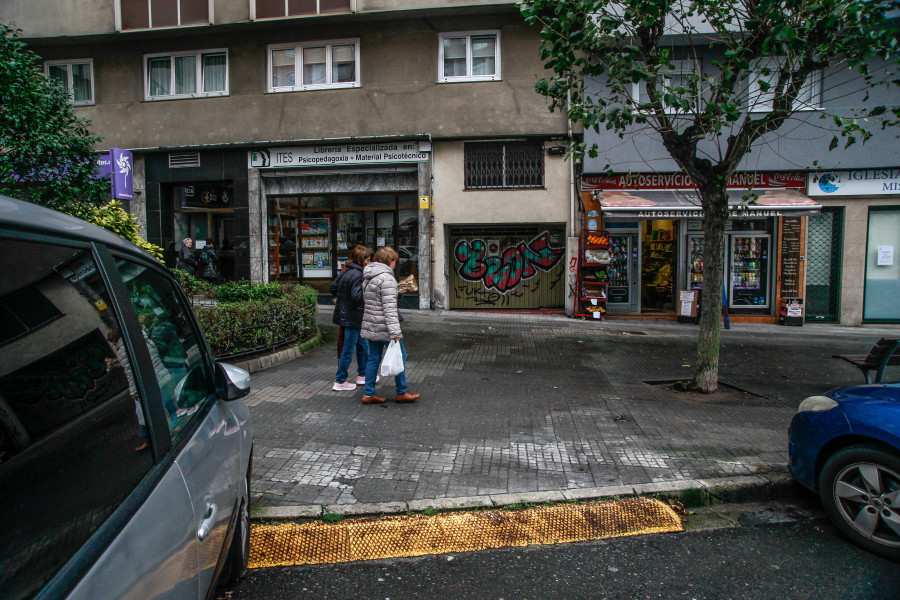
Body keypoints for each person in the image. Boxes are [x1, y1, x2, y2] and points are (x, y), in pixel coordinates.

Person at [360, 246, 419, 405]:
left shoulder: (369, 275)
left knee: (373, 358)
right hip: (384, 326)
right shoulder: (387, 278)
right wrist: (395, 333)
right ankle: (402, 391)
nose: (395, 264)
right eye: (394, 261)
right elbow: (389, 308)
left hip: (371, 323)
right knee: (401, 355)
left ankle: (369, 393)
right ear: (390, 262)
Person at [331, 245, 373, 391]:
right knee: (348, 349)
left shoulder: (346, 271)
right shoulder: (358, 274)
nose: (369, 262)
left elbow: (333, 287)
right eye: (367, 259)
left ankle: (363, 374)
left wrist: (341, 299)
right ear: (361, 260)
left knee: (362, 344)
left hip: (347, 315)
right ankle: (340, 380)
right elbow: (357, 296)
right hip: (353, 316)